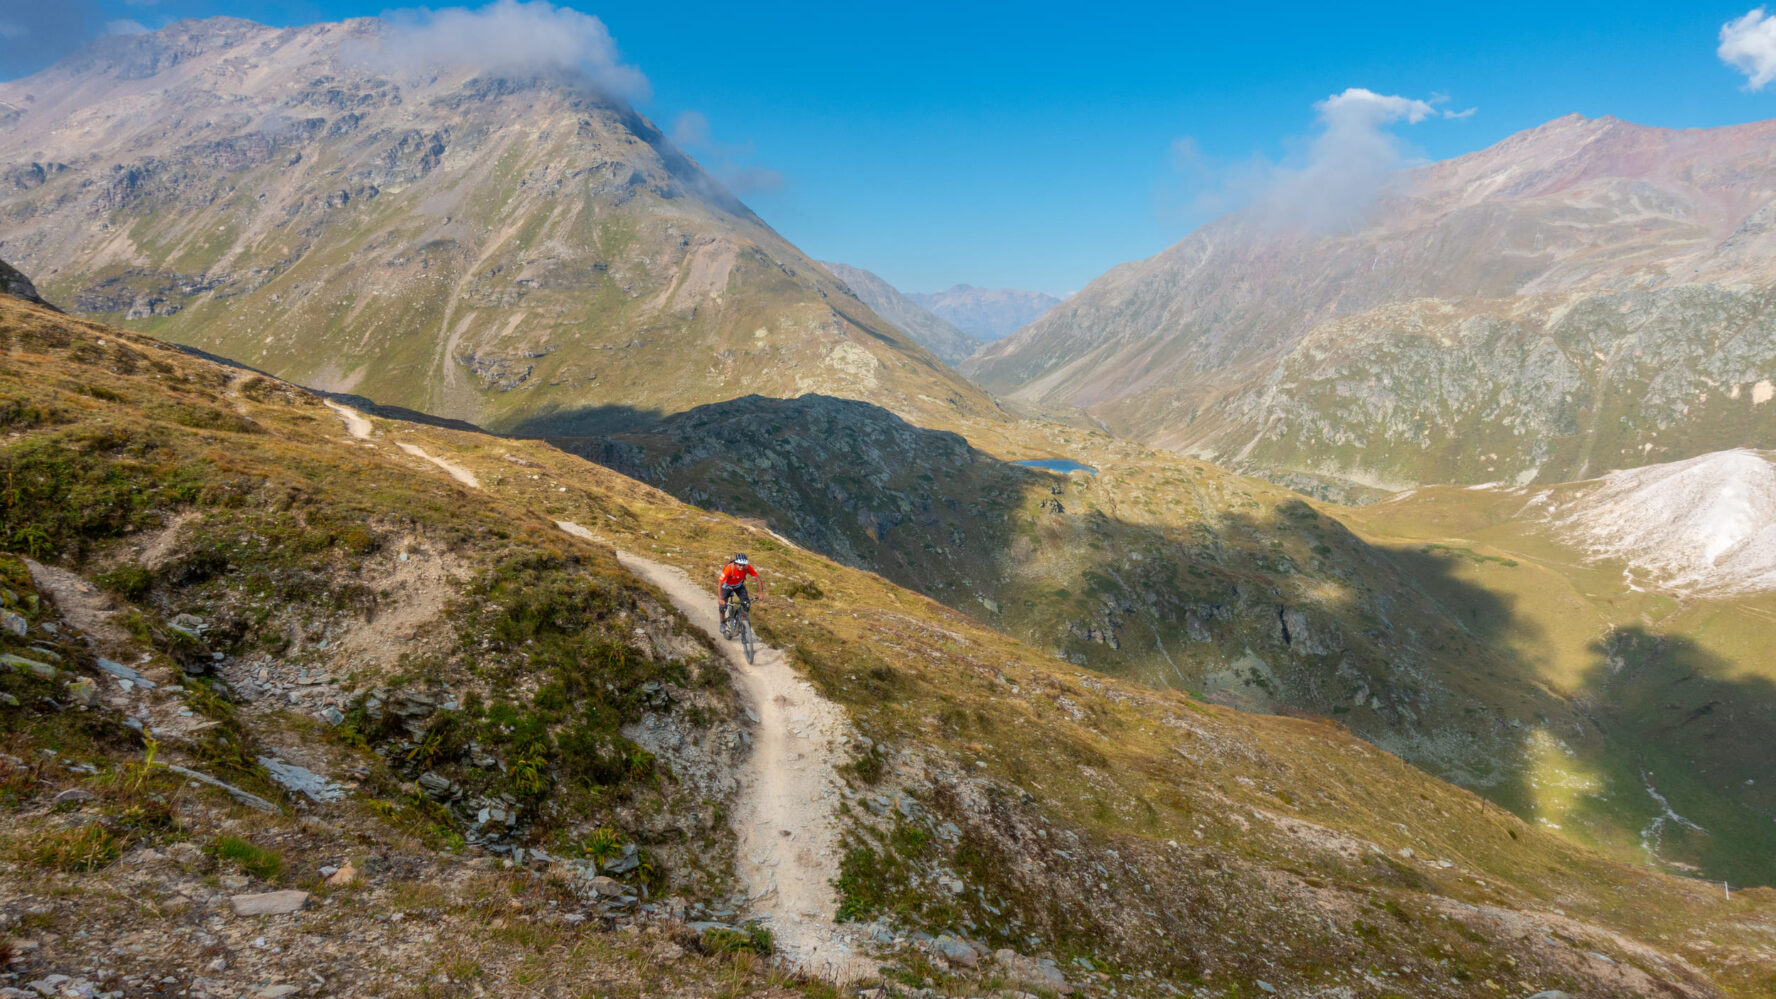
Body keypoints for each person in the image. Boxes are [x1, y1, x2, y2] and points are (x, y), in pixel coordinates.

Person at [717, 553, 763, 628]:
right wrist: (720, 599)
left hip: (738, 585)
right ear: (735, 563)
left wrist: (761, 593)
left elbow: (758, 579)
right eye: (739, 565)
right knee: (723, 606)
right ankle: (722, 623)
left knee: (746, 603)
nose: (742, 567)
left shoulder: (747, 567)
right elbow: (719, 584)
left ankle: (743, 621)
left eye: (743, 565)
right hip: (727, 587)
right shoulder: (729, 569)